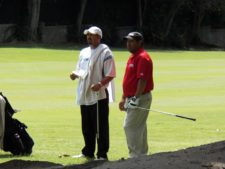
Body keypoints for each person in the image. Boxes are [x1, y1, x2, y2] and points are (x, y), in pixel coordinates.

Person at [70, 26, 116, 160]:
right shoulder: (83, 52)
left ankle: (102, 154)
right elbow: (80, 70)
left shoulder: (105, 52)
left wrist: (100, 84)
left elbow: (111, 74)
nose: (89, 37)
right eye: (87, 35)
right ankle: (88, 151)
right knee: (86, 125)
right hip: (84, 93)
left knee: (100, 126)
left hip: (98, 95)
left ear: (99, 37)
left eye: (92, 35)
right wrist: (74, 74)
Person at [119, 32, 154, 158]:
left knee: (130, 126)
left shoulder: (143, 57)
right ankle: (142, 156)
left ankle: (135, 157)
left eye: (132, 41)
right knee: (139, 126)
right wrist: (123, 97)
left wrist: (135, 97)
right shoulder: (133, 57)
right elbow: (130, 80)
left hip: (140, 97)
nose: (128, 44)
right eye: (127, 41)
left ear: (140, 42)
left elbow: (142, 80)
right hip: (134, 97)